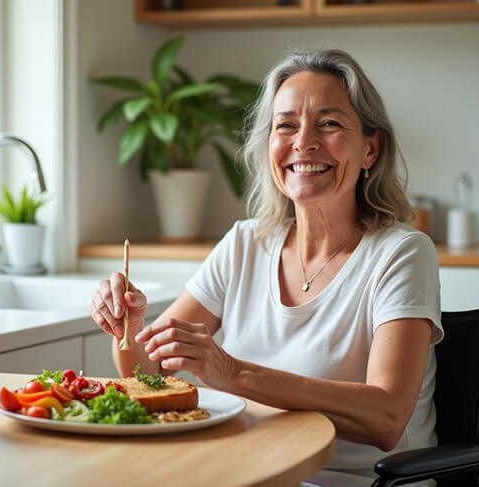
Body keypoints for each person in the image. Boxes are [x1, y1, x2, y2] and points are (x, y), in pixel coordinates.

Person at [88, 49, 443, 487]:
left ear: (370, 148)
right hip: (245, 474)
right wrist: (132, 325)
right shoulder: (245, 243)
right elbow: (148, 376)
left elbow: (386, 419)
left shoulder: (402, 253)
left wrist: (233, 372)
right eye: (286, 125)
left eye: (329, 124)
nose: (303, 142)